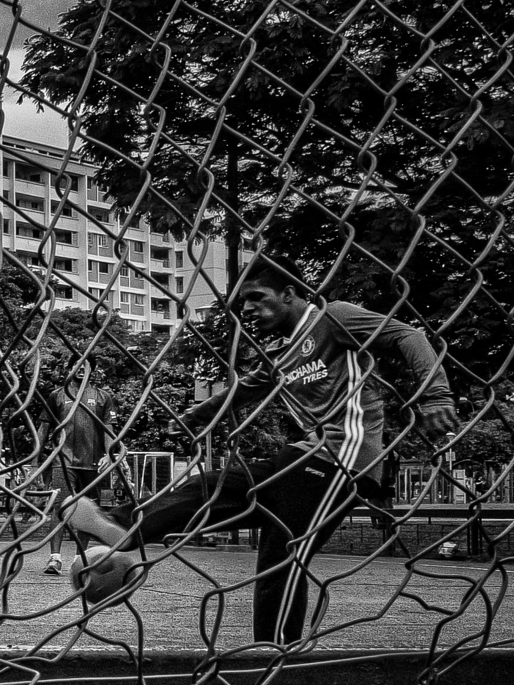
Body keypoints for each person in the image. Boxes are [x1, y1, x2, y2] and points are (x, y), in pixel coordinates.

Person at [67, 258, 459, 642]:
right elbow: (246, 388)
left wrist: (436, 395)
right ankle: (123, 528)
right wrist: (199, 414)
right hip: (305, 459)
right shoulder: (281, 354)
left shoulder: (333, 317)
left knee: (277, 554)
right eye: (243, 304)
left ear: (289, 293)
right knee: (227, 500)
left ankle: (272, 652)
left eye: (257, 297)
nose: (250, 309)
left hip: (343, 458)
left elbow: (410, 335)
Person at [24, 355, 133, 576]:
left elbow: (109, 430)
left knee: (89, 511)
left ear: (92, 369)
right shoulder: (57, 395)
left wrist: (109, 456)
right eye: (77, 364)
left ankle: (79, 559)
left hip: (93, 464)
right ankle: (54, 559)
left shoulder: (103, 397)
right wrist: (35, 462)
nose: (82, 369)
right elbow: (43, 429)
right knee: (60, 506)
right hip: (62, 461)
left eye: (87, 365)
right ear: (69, 367)